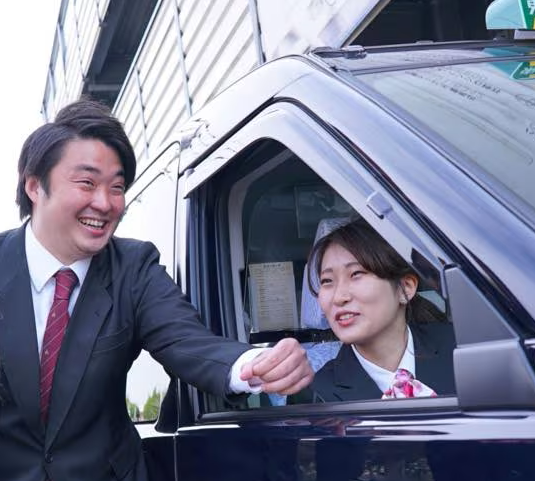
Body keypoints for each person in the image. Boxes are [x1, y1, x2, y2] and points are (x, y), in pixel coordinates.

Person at [0, 99, 313, 481]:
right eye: (87, 183)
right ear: (35, 186)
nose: (105, 203)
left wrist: (254, 364)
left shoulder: (133, 267)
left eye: (117, 187)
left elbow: (185, 340)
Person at [293, 218, 456, 403]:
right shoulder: (315, 394)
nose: (339, 297)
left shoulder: (461, 352)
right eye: (327, 281)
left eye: (356, 274)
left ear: (406, 287)